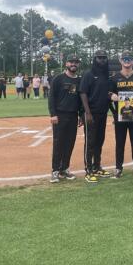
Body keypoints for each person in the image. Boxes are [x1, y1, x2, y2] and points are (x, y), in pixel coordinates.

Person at [109, 50, 133, 179]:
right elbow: (109, 94)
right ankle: (118, 168)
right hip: (120, 116)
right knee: (120, 142)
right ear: (120, 61)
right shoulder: (114, 78)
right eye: (124, 59)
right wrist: (112, 97)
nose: (127, 61)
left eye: (129, 59)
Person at [48, 55, 83, 183]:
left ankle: (65, 168)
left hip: (73, 116)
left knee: (69, 143)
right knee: (58, 143)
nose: (74, 64)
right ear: (66, 63)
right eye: (71, 62)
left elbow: (80, 100)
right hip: (60, 115)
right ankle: (55, 171)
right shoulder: (58, 79)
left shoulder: (79, 80)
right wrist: (53, 114)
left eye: (76, 62)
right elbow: (51, 98)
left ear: (78, 65)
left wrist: (80, 115)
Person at [79, 50, 112, 183]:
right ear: (95, 59)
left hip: (102, 113)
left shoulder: (105, 75)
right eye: (99, 58)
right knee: (90, 142)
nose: (102, 60)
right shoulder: (89, 74)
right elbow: (82, 93)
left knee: (99, 141)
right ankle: (88, 170)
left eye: (104, 58)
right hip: (90, 114)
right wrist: (87, 113)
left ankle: (97, 166)